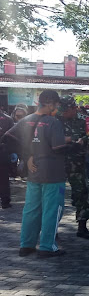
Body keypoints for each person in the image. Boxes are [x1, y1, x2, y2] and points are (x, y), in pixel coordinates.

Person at [1, 90, 67, 257]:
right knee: (51, 210)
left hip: (33, 173)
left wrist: (27, 156)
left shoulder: (26, 120)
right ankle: (47, 247)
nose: (57, 108)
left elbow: (8, 137)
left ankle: (26, 245)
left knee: (31, 209)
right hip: (53, 173)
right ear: (51, 104)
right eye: (57, 104)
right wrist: (76, 144)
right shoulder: (53, 122)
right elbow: (58, 148)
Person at [57, 96, 89, 239]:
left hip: (77, 163)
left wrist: (83, 140)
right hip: (58, 163)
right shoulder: (56, 120)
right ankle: (52, 229)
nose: (65, 113)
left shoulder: (82, 120)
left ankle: (82, 227)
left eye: (68, 110)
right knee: (54, 197)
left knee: (82, 194)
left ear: (74, 108)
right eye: (63, 110)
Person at [0, 106, 15, 208]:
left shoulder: (8, 119)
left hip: (3, 151)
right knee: (4, 178)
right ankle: (5, 202)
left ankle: (5, 201)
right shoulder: (8, 119)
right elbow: (12, 137)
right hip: (3, 152)